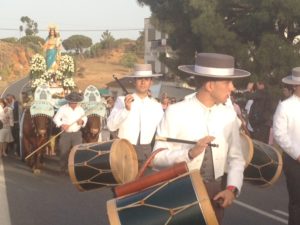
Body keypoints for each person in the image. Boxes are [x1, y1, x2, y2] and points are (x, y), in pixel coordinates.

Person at [152, 53, 250, 224]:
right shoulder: (175, 112)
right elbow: (156, 158)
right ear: (210, 85)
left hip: (216, 193)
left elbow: (236, 159)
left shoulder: (229, 115)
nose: (232, 88)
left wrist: (232, 189)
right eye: (228, 82)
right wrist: (189, 154)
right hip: (180, 192)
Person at [107, 64, 164, 167]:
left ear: (151, 82)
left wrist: (155, 155)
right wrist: (126, 110)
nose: (143, 82)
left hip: (147, 152)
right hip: (124, 148)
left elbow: (161, 133)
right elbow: (111, 126)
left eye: (146, 79)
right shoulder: (121, 100)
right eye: (139, 79)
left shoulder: (156, 106)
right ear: (134, 82)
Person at [273, 67, 300, 225]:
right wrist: (297, 154)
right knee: (297, 201)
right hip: (294, 161)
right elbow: (279, 134)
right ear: (296, 86)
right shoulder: (285, 106)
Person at [53, 92, 87, 174]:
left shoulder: (80, 109)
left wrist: (82, 122)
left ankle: (76, 169)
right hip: (65, 134)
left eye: (75, 102)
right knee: (63, 151)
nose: (74, 104)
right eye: (72, 102)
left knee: (77, 152)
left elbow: (85, 118)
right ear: (69, 101)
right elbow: (56, 118)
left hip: (77, 134)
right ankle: (63, 168)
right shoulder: (63, 108)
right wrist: (62, 124)